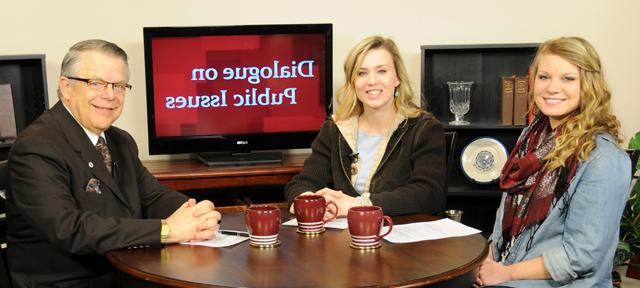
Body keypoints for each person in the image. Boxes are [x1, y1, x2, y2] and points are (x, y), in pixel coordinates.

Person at [6, 39, 222, 287]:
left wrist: (195, 214)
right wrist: (166, 230)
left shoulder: (120, 141)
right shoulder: (37, 146)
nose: (110, 95)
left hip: (126, 270)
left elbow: (152, 197)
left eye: (119, 85)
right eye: (96, 83)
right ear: (66, 87)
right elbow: (70, 229)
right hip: (69, 281)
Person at [475, 36, 631, 287]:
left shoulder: (604, 159)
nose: (551, 88)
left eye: (568, 78)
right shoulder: (531, 138)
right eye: (544, 77)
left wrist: (505, 274)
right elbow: (504, 215)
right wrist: (489, 260)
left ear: (589, 85)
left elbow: (581, 256)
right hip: (508, 269)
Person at [284, 36, 446, 218]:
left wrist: (359, 204)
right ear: (353, 82)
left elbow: (428, 194)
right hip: (345, 239)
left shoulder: (424, 129)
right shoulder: (335, 129)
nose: (372, 81)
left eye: (382, 71)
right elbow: (302, 182)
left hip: (402, 236)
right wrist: (308, 202)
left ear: (397, 78)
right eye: (362, 73)